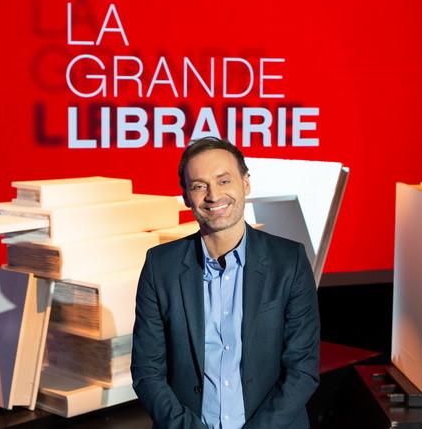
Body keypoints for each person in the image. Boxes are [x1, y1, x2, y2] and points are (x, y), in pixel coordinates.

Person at [131, 137, 320, 429]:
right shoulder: (160, 267)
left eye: (223, 181)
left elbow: (303, 368)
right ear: (185, 196)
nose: (213, 195)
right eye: (199, 185)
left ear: (245, 184)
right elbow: (147, 372)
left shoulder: (289, 261)